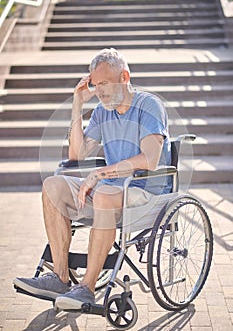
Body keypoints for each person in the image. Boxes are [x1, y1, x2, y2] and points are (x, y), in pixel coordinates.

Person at [13, 48, 171, 311]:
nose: (100, 91)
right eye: (96, 85)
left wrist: (100, 174)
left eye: (105, 83)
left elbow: (150, 160)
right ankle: (61, 277)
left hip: (146, 191)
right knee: (53, 185)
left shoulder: (148, 105)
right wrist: (77, 104)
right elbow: (77, 154)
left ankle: (86, 287)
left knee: (106, 194)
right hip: (111, 190)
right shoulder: (101, 111)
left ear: (125, 76)